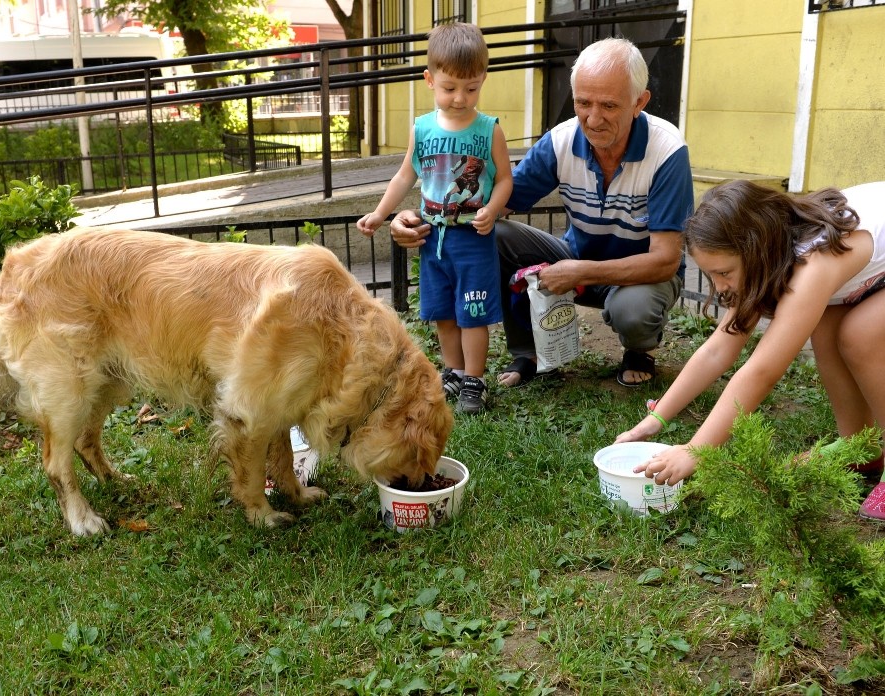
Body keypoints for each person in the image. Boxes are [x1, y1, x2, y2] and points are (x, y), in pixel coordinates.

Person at [388, 36, 695, 389]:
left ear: (639, 102)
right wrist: (416, 216)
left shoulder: (666, 151)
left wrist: (579, 271)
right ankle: (527, 353)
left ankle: (640, 350)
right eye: (583, 103)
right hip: (574, 257)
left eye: (609, 106)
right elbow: (491, 201)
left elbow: (665, 261)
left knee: (633, 308)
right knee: (495, 235)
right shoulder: (562, 140)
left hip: (641, 277)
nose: (593, 119)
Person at [616, 179, 885, 522]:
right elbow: (717, 350)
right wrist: (655, 420)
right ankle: (859, 444)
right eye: (711, 276)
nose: (720, 287)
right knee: (826, 324)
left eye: (724, 273)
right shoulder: (771, 255)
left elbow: (762, 371)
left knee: (860, 334)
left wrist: (698, 450)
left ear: (756, 249)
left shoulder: (814, 266)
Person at [357, 22, 512, 415]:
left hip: (472, 239)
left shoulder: (489, 129)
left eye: (471, 88)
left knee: (472, 312)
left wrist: (492, 210)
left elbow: (505, 179)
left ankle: (475, 380)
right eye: (449, 88)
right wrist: (379, 213)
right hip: (433, 239)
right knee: (443, 312)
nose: (460, 98)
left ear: (483, 80)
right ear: (430, 79)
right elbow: (405, 175)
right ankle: (454, 371)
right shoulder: (422, 128)